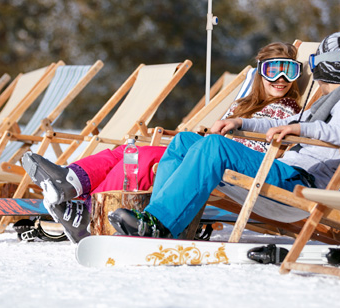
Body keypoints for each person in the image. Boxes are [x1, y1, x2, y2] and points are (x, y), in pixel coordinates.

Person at [20, 42, 304, 242]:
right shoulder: (244, 105)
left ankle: (93, 213)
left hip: (227, 165)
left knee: (142, 159)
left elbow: (253, 149)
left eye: (289, 71)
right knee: (128, 151)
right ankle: (72, 181)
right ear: (260, 73)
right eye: (273, 70)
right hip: (207, 156)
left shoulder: (288, 111)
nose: (280, 79)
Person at [109, 30, 340, 239]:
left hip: (299, 185)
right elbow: (276, 122)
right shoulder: (326, 105)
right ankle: (158, 220)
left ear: (324, 67)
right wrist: (240, 123)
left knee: (215, 146)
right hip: (284, 174)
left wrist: (300, 128)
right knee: (183, 141)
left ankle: (160, 222)